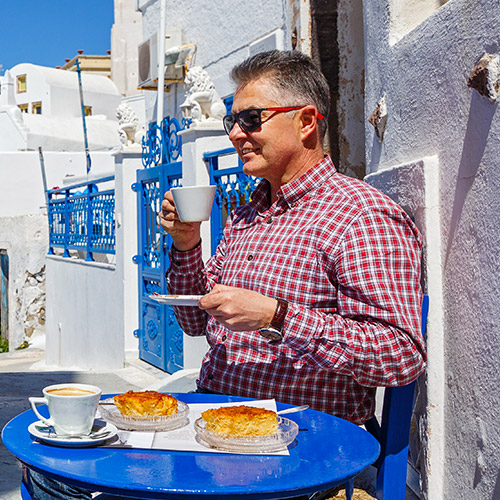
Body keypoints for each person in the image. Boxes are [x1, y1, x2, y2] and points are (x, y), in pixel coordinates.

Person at [159, 49, 426, 426]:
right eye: (232, 121)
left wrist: (278, 316)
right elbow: (194, 323)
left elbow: (400, 356)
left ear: (304, 122)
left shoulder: (359, 215)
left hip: (304, 443)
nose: (236, 133)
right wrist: (186, 243)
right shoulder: (247, 214)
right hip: (218, 421)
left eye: (252, 119)